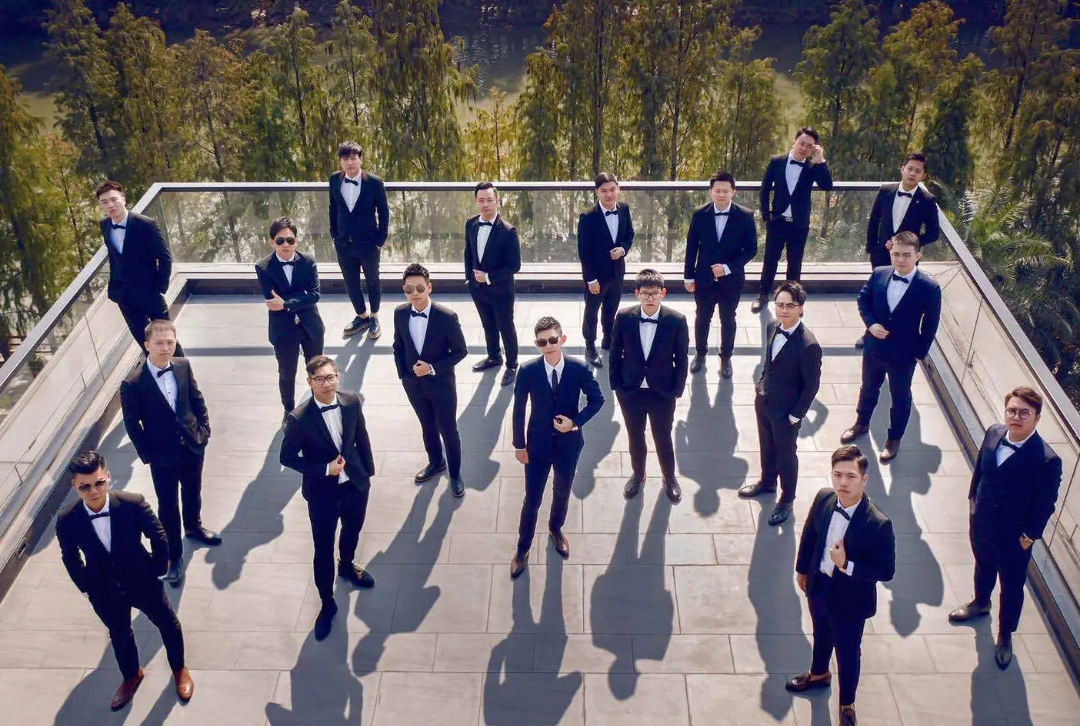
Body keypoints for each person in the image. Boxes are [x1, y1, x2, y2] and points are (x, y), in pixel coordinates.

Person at [56, 450, 193, 711]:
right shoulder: (67, 519)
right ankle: (131, 675)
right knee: (119, 634)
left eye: (99, 483)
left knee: (167, 623)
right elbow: (70, 556)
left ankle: (179, 669)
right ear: (75, 486)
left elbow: (158, 535)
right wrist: (87, 587)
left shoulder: (133, 503)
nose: (94, 491)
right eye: (85, 486)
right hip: (103, 589)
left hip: (142, 580)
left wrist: (157, 569)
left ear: (108, 477)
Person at [949, 386, 1061, 670]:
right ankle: (980, 603)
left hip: (1014, 537)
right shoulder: (994, 433)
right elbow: (981, 470)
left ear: (1036, 418)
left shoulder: (1047, 460)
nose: (1016, 417)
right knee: (982, 566)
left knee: (1011, 587)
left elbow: (1045, 504)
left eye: (1024, 413)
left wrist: (1029, 536)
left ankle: (1005, 635)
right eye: (1012, 411)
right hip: (982, 523)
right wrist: (973, 501)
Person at [787, 445, 895, 726]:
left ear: (864, 479)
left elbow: (886, 571)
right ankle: (819, 674)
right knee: (821, 632)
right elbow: (810, 533)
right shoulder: (824, 498)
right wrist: (802, 569)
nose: (843, 483)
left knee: (847, 652)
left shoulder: (878, 523)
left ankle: (847, 703)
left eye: (850, 476)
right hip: (819, 584)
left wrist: (847, 565)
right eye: (837, 475)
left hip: (850, 599)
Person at [280, 355, 376, 640]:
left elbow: (362, 437)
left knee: (353, 529)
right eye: (320, 379)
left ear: (337, 377)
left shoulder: (351, 401)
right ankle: (326, 602)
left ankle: (346, 565)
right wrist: (324, 469)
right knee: (322, 548)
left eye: (330, 377)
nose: (327, 383)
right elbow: (287, 457)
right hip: (322, 493)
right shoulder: (298, 418)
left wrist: (367, 473)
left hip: (355, 484)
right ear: (310, 382)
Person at [120, 320, 220, 587]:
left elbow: (196, 399)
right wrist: (148, 455)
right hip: (162, 455)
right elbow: (132, 424)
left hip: (192, 445)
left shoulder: (183, 365)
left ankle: (194, 527)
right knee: (167, 506)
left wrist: (204, 431)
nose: (166, 348)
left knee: (193, 490)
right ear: (146, 345)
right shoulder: (133, 383)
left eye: (170, 342)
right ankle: (173, 557)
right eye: (159, 343)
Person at [510, 316, 604, 578]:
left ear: (562, 339)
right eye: (542, 342)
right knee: (532, 498)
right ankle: (522, 548)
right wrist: (519, 445)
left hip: (568, 445)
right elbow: (519, 410)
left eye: (553, 340)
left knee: (562, 491)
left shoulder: (578, 368)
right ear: (537, 344)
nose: (548, 346)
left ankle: (555, 529)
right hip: (537, 445)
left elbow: (597, 400)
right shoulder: (528, 371)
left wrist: (575, 423)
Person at [840, 232, 941, 463]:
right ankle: (861, 424)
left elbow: (931, 324)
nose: (900, 259)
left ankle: (894, 439)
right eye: (896, 254)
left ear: (918, 255)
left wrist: (918, 354)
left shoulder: (929, 287)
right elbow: (863, 300)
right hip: (874, 348)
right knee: (868, 388)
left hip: (903, 355)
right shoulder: (879, 273)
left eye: (906, 255)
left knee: (901, 397)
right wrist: (871, 324)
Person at [738, 281, 822, 526]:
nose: (783, 310)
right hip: (765, 400)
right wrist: (761, 383)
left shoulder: (809, 345)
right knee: (766, 445)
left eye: (789, 306)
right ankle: (767, 482)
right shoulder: (772, 326)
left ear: (801, 308)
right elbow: (769, 361)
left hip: (787, 411)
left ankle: (787, 499)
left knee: (786, 454)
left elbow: (811, 385)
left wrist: (796, 415)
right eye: (780, 305)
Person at [609, 269, 688, 504]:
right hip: (630, 391)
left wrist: (676, 390)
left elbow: (681, 359)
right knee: (635, 436)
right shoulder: (624, 317)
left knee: (663, 437)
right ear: (637, 293)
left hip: (662, 392)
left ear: (663, 293)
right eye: (645, 293)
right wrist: (617, 385)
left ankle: (669, 478)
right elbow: (615, 353)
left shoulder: (676, 320)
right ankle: (638, 475)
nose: (650, 298)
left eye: (655, 293)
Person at [392, 263, 469, 498]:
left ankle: (455, 475)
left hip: (442, 385)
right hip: (414, 385)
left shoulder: (446, 317)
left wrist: (432, 368)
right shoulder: (399, 313)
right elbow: (398, 346)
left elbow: (461, 351)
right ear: (404, 290)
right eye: (409, 289)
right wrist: (404, 375)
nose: (414, 293)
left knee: (448, 430)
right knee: (427, 426)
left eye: (419, 288)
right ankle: (436, 462)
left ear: (429, 287)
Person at [858, 153, 940, 349]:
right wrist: (873, 247)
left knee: (901, 297)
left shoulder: (927, 200)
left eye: (917, 171)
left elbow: (933, 233)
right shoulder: (886, 190)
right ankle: (870, 331)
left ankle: (897, 336)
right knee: (878, 294)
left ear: (923, 175)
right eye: (909, 168)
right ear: (902, 169)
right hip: (881, 254)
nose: (912, 173)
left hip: (907, 258)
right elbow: (874, 221)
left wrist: (909, 244)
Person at [683, 169, 757, 379]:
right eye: (717, 191)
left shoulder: (745, 216)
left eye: (726, 191)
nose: (721, 194)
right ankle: (700, 354)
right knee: (702, 318)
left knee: (728, 319)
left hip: (732, 280)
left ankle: (726, 358)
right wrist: (688, 276)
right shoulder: (699, 214)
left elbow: (751, 249)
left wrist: (728, 267)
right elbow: (692, 247)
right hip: (703, 278)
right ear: (710, 192)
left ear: (734, 191)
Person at [96, 180, 184, 356]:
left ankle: (182, 371)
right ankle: (157, 371)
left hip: (150, 293)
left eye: (114, 199)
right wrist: (114, 287)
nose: (110, 205)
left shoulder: (146, 224)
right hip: (124, 296)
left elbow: (164, 258)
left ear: (123, 199)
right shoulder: (105, 225)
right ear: (101, 205)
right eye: (104, 202)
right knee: (145, 343)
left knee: (166, 339)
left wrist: (159, 290)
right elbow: (115, 257)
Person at [753, 126, 833, 313]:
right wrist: (766, 216)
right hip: (777, 221)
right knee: (770, 261)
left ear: (814, 148)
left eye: (809, 146)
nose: (804, 148)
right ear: (795, 141)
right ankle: (762, 295)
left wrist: (821, 160)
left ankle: (794, 300)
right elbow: (764, 189)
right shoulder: (776, 161)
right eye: (801, 143)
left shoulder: (812, 166)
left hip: (799, 223)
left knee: (795, 264)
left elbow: (827, 185)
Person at [254, 217, 325, 423]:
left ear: (296, 241)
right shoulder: (263, 267)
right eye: (280, 241)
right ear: (272, 242)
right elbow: (272, 301)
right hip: (283, 329)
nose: (286, 244)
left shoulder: (308, 261)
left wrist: (286, 302)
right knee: (286, 373)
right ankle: (288, 409)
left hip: (311, 326)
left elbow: (314, 295)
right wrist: (301, 296)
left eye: (290, 240)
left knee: (316, 370)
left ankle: (319, 403)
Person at [329, 141, 389, 339]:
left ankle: (374, 316)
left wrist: (380, 239)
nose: (350, 163)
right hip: (343, 243)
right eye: (345, 159)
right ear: (341, 161)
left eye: (353, 158)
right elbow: (332, 208)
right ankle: (361, 316)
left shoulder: (375, 182)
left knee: (373, 280)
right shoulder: (334, 179)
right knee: (351, 282)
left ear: (361, 159)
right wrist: (334, 234)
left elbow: (384, 212)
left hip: (369, 243)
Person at [465, 181, 521, 387]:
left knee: (505, 327)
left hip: (501, 289)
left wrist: (488, 277)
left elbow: (514, 266)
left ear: (497, 201)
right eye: (481, 200)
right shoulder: (471, 224)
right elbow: (468, 253)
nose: (485, 204)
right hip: (477, 288)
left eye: (489, 200)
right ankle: (493, 356)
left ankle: (512, 365)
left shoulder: (508, 231)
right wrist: (469, 279)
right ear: (476, 201)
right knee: (487, 324)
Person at [578, 171, 635, 368]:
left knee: (611, 308)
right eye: (604, 191)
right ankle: (590, 346)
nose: (609, 194)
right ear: (597, 192)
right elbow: (584, 251)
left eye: (612, 189)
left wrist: (623, 249)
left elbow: (630, 234)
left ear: (618, 189)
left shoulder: (624, 209)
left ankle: (608, 339)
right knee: (591, 312)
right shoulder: (587, 217)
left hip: (617, 272)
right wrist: (591, 279)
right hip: (596, 276)